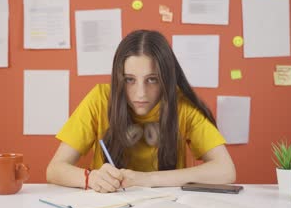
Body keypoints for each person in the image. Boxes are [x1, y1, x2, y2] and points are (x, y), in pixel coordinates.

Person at [46, 30, 236, 193]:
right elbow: (54, 169)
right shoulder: (99, 99)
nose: (140, 93)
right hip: (108, 207)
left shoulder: (182, 106)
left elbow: (226, 170)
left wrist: (147, 179)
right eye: (129, 79)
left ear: (166, 79)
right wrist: (91, 178)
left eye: (152, 79)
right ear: (119, 78)